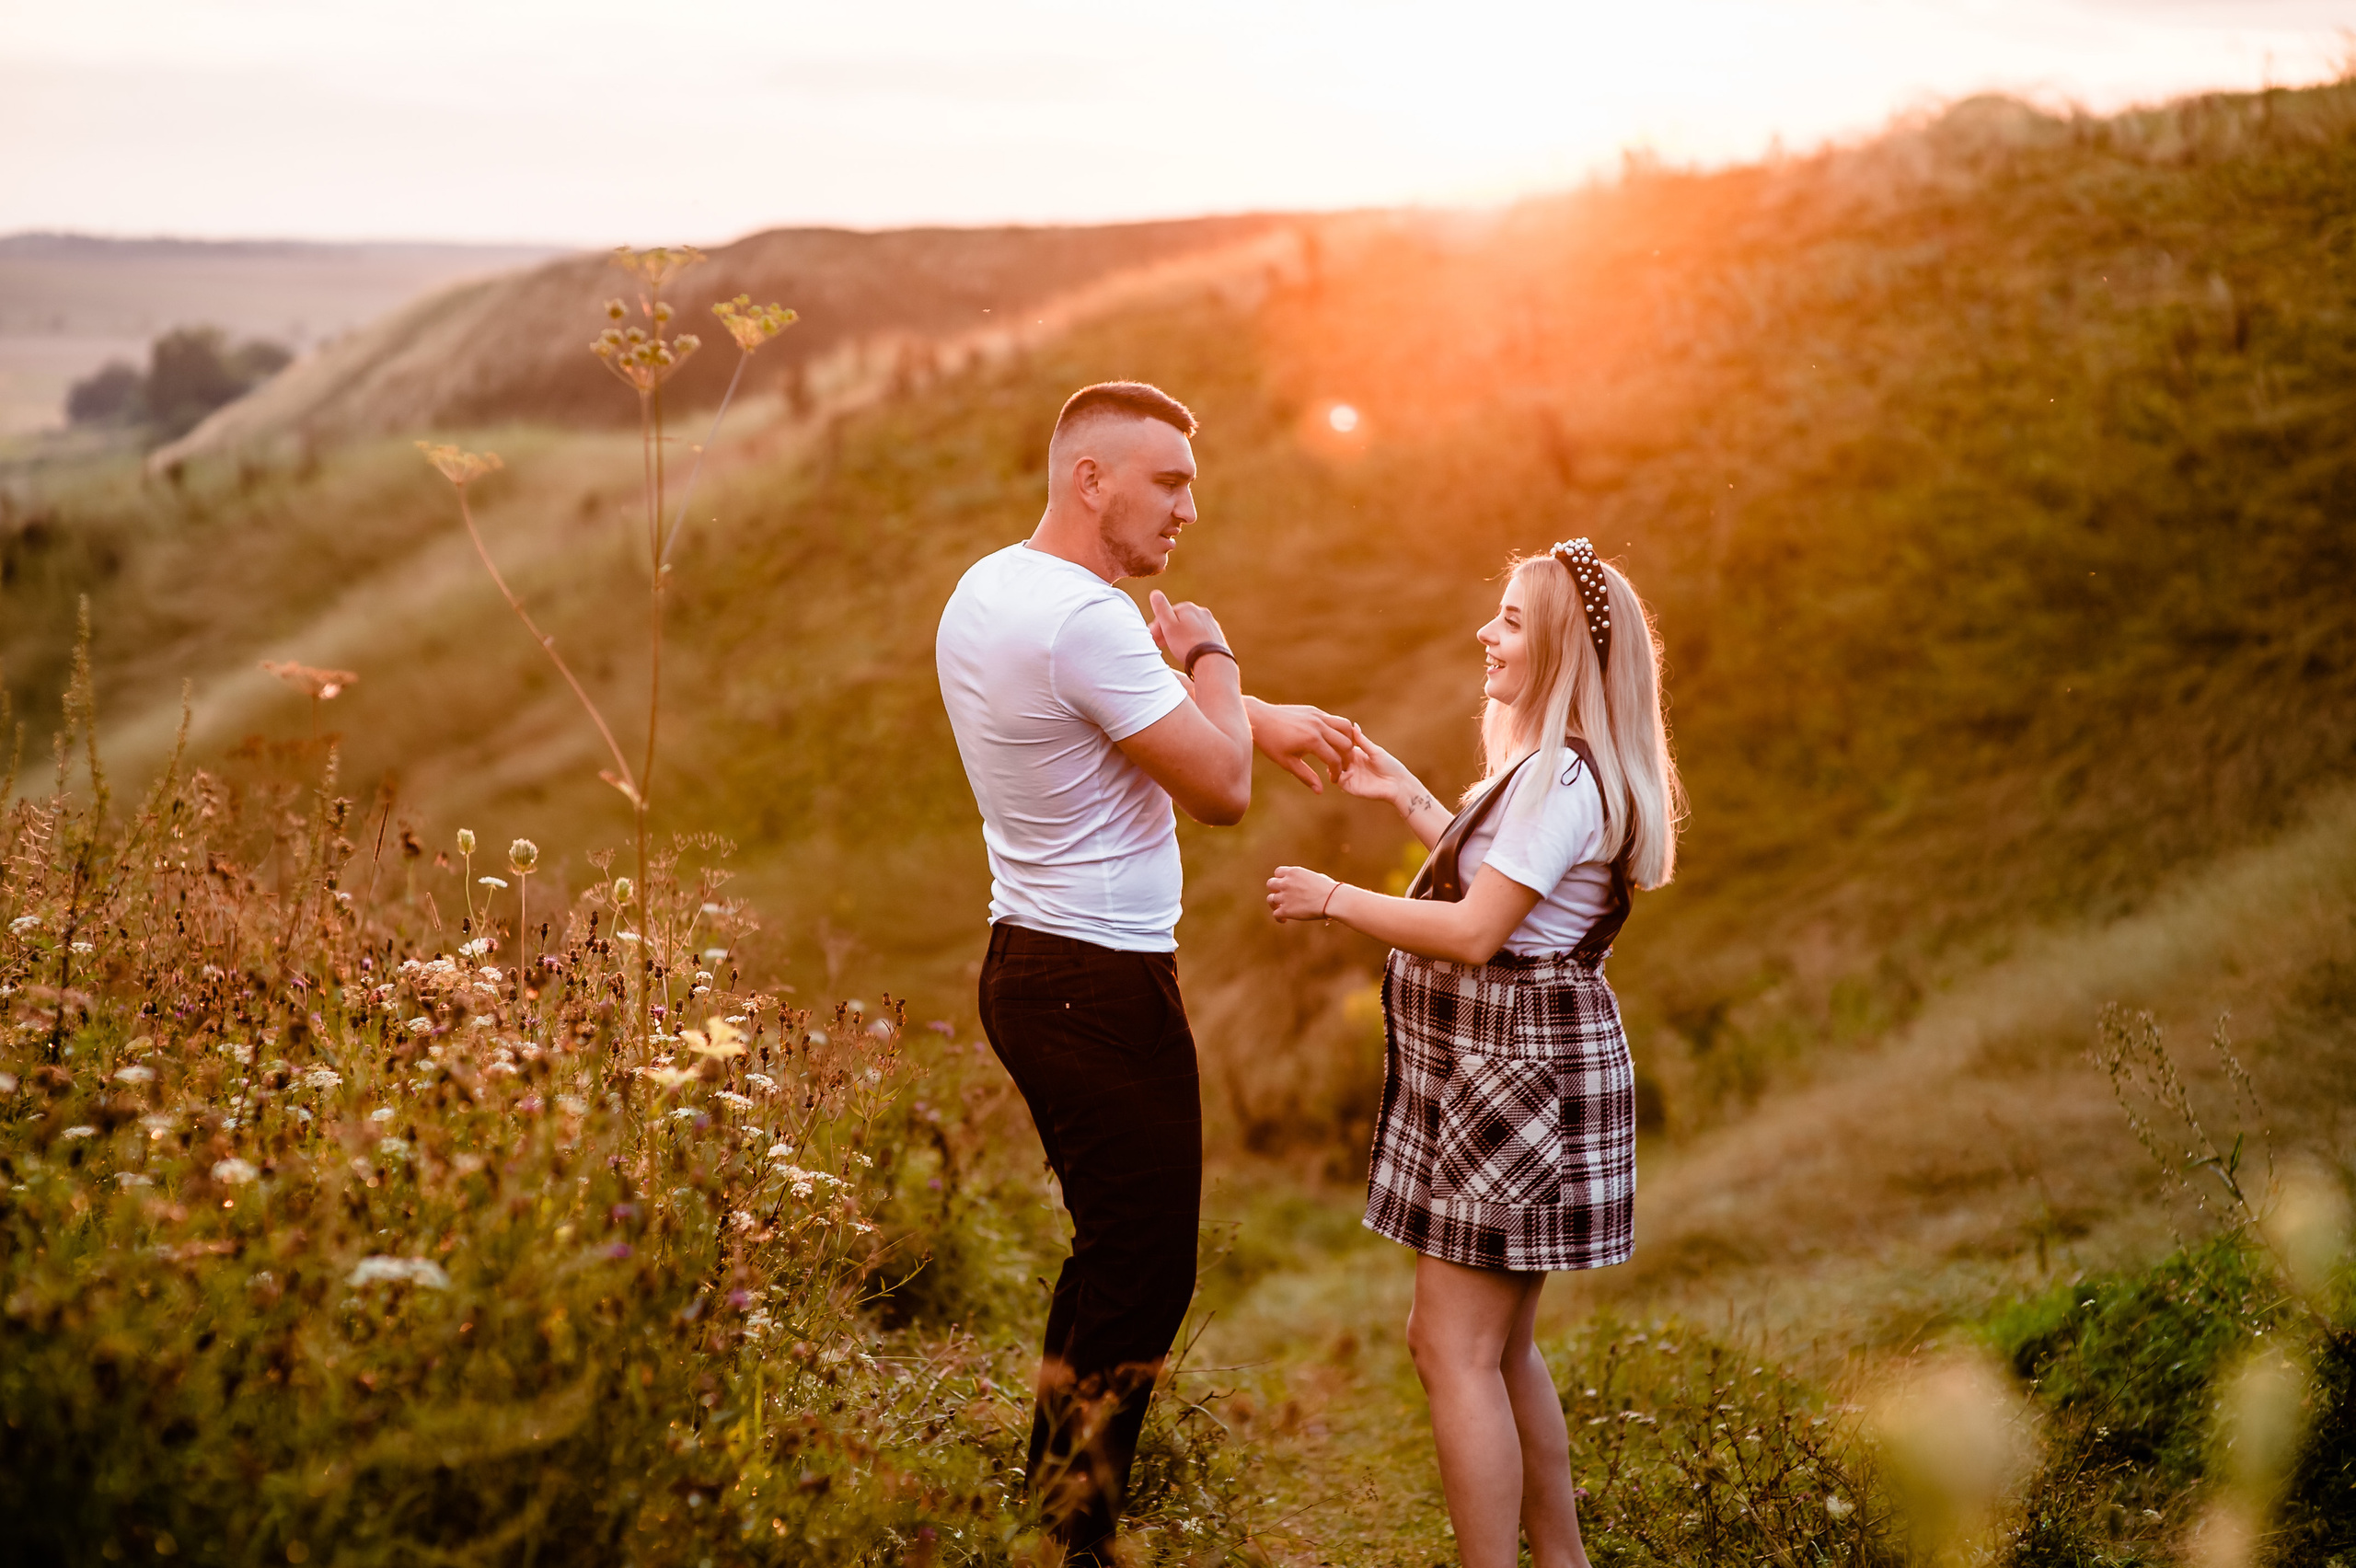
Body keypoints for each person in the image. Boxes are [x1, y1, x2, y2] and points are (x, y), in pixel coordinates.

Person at [934, 380, 1355, 1565]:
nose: (1186, 510)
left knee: (1110, 1251)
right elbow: (1219, 792)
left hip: (1027, 966)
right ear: (1091, 479)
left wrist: (1249, 710)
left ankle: (1051, 1515)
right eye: (1166, 483)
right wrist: (1216, 658)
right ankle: (1075, 1541)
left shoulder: (993, 588)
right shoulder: (1098, 622)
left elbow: (1098, 700)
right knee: (1145, 1267)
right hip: (1101, 985)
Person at [1265, 538, 1683, 1568]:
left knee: (1450, 1348)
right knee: (1497, 1348)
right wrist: (1407, 793)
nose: (1485, 635)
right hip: (1508, 1074)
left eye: (1508, 622)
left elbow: (1473, 930)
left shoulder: (1558, 784)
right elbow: (1495, 877)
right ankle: (1559, 1561)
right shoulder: (1555, 775)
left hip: (1510, 1078)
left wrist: (1332, 898)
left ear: (1556, 652)